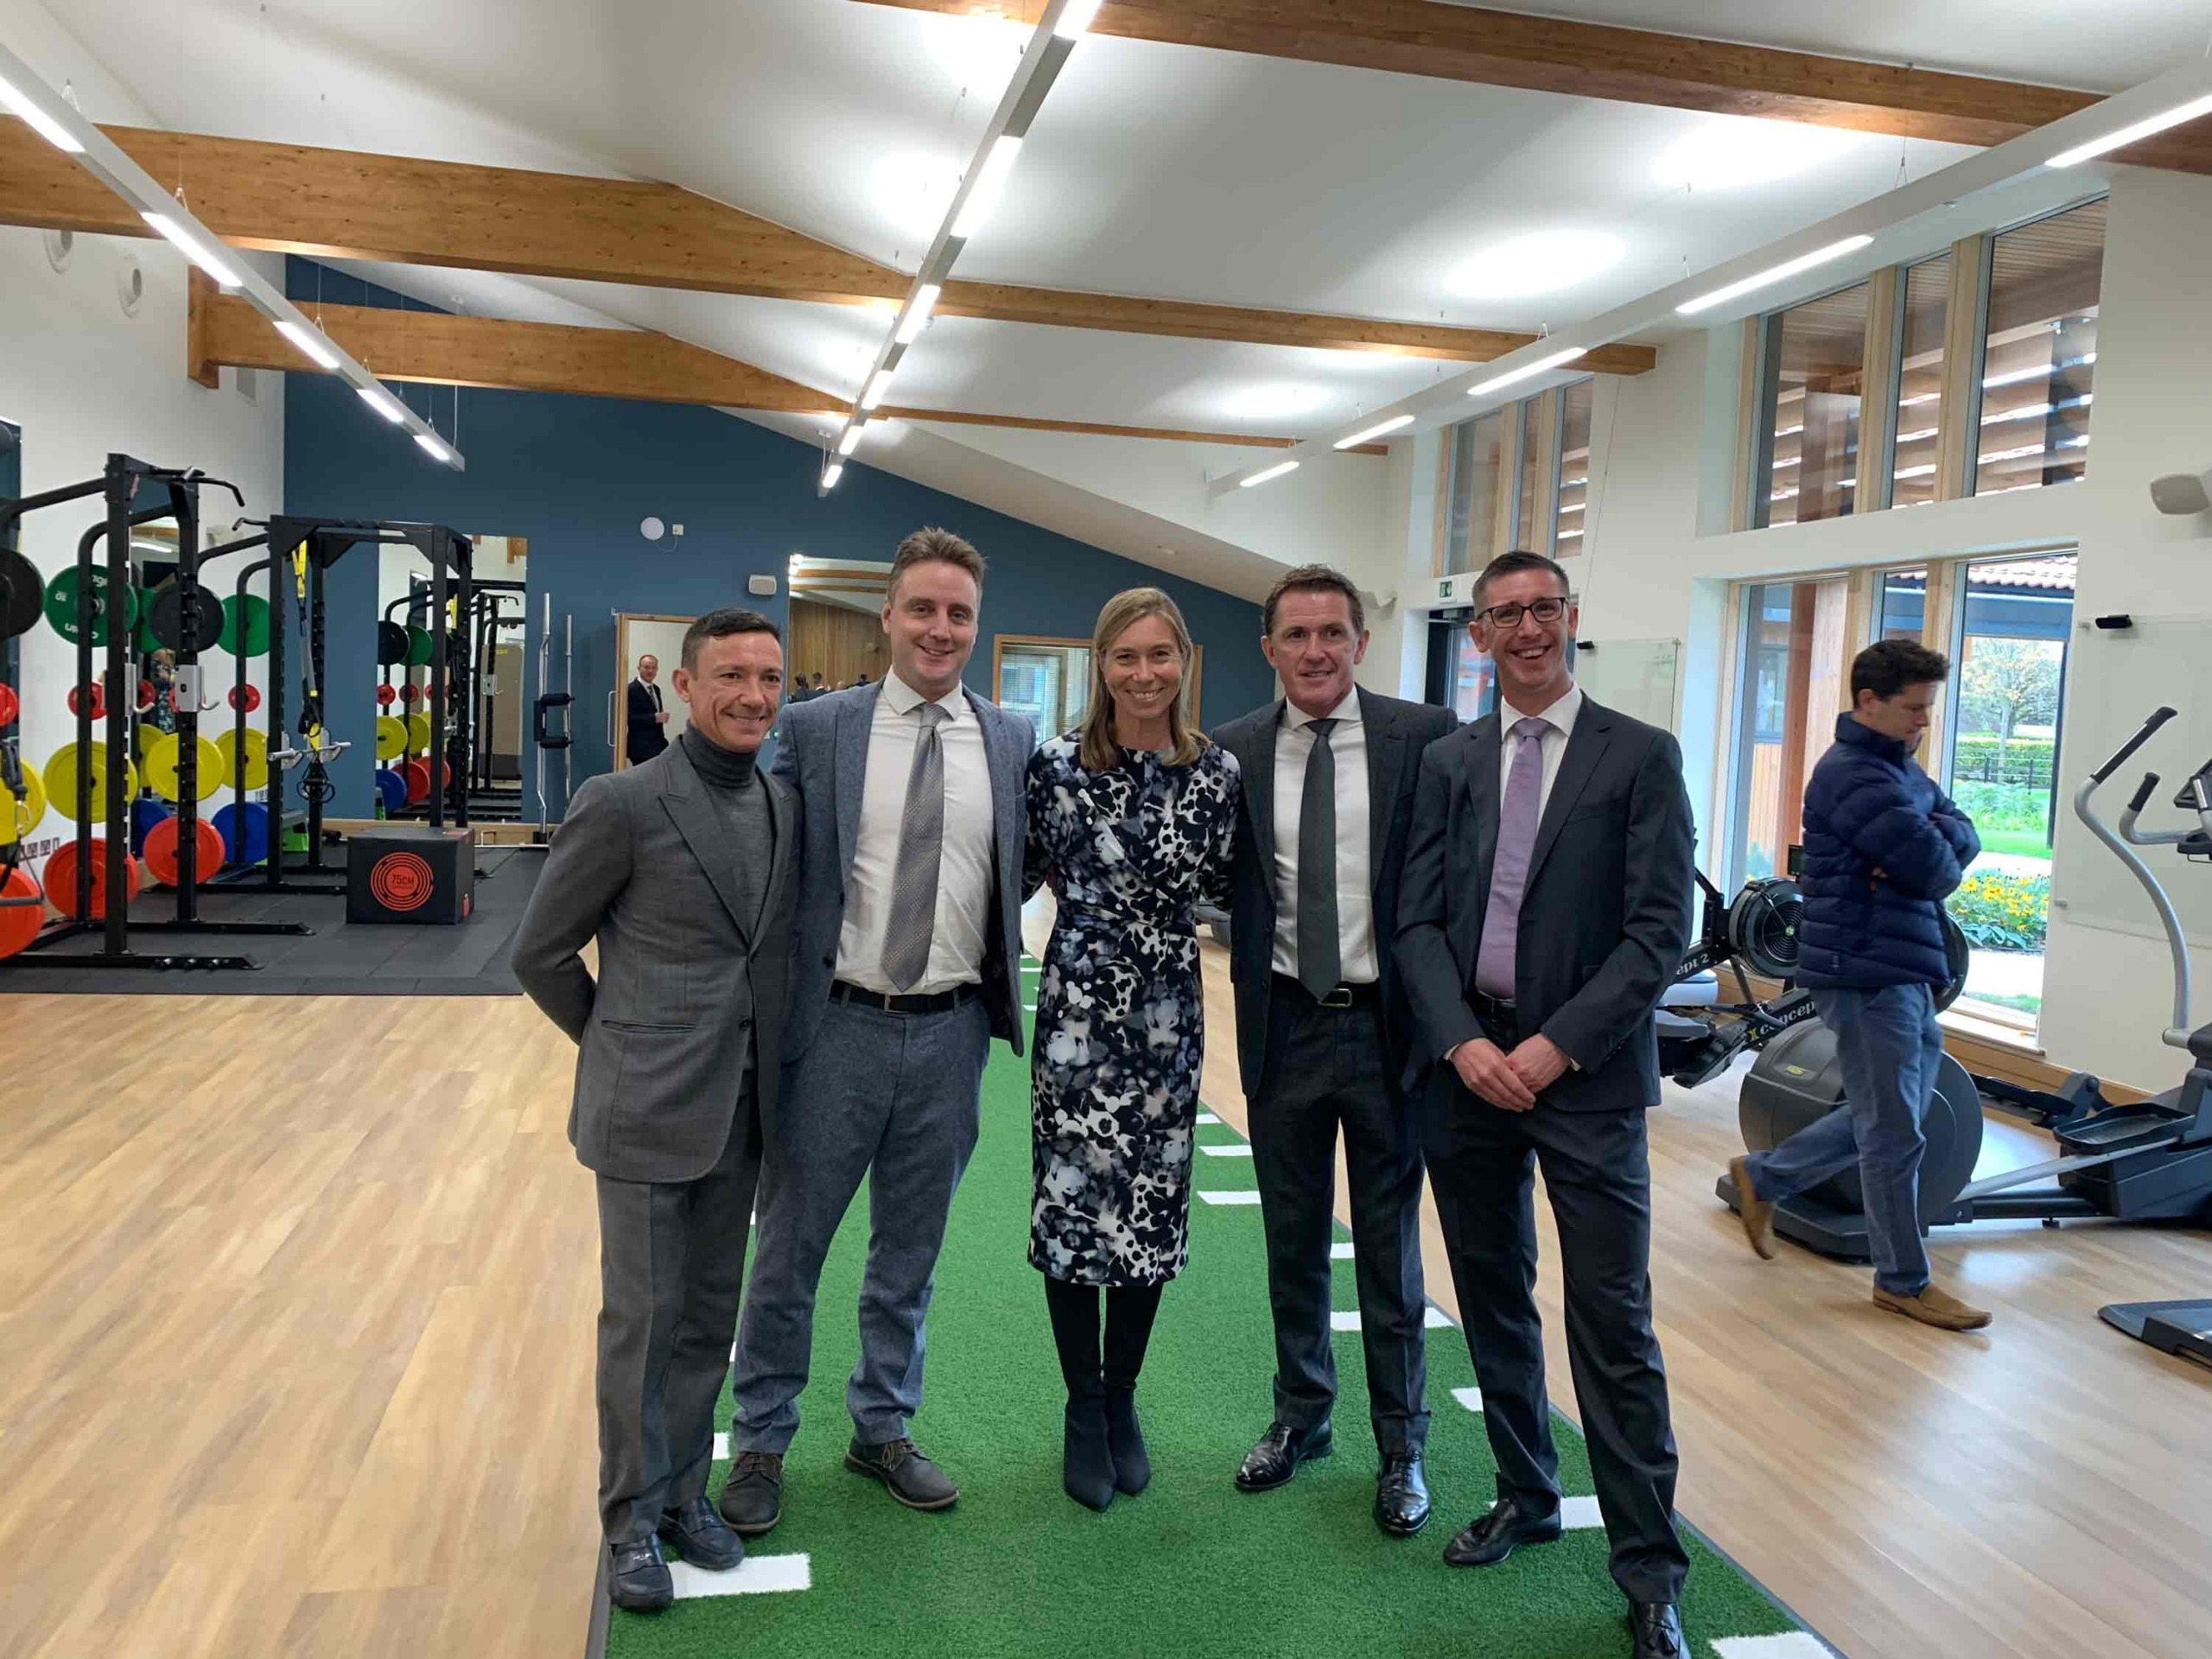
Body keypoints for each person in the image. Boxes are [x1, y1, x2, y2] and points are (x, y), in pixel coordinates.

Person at [1396, 550, 1696, 1659]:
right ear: (1475, 636)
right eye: (1501, 615)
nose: (1525, 629)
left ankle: (1650, 1569)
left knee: (1612, 1324)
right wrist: (1466, 1043)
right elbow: (1416, 921)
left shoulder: (1641, 756)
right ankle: (1526, 1495)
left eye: (1541, 608)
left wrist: (1554, 1048)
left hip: (1587, 1080)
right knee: (1491, 1298)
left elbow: (1658, 930)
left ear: (1571, 617)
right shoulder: (1449, 761)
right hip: (1470, 1075)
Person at [723, 527, 1033, 1534]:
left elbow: (1018, 873)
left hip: (949, 1036)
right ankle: (761, 1439)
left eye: (958, 615)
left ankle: (881, 1428)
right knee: (790, 1250)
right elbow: (756, 855)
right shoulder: (820, 730)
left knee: (910, 1254)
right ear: (887, 618)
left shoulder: (1011, 737)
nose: (939, 629)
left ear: (973, 630)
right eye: (923, 609)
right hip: (837, 1028)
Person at [512, 608, 794, 1613]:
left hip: (741, 1112)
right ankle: (628, 1521)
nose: (753, 695)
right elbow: (539, 954)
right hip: (642, 1112)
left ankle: (683, 1494)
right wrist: (614, 1045)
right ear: (683, 687)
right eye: (729, 676)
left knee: (707, 1319)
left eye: (768, 677)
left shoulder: (780, 804)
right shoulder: (623, 801)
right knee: (642, 1319)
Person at [1211, 564, 1454, 1536]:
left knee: (1389, 1250)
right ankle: (1302, 1417)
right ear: (1268, 649)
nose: (1315, 652)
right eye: (1296, 636)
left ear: (1359, 642)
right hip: (1283, 1023)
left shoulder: (1425, 739)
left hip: (1388, 1029)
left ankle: (1403, 1447)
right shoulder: (1229, 751)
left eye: (1332, 633)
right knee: (1292, 1240)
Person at [1023, 588, 1239, 1510]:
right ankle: (1079, 1405)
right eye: (1125, 657)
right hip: (1075, 1016)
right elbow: (1009, 879)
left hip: (1165, 1017)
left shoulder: (1218, 772)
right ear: (1099, 665)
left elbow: (1239, 891)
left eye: (1160, 656)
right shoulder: (1055, 768)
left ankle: (1121, 1398)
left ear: (1182, 662)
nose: (1143, 674)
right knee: (1073, 1210)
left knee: (1149, 1213)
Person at [1726, 639, 1989, 1331]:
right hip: (1867, 972)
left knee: (1889, 1116)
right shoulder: (1853, 776)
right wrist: (1932, 843)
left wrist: (1933, 840)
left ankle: (1767, 1177)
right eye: (1913, 709)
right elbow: (1937, 868)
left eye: (1928, 709)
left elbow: (1963, 835)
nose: (1924, 722)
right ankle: (1903, 1281)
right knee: (1897, 1133)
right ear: (1869, 701)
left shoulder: (1897, 768)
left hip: (1905, 967)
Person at [626, 653, 669, 764]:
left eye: (653, 668)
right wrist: (653, 718)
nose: (650, 671)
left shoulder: (656, 689)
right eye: (646, 667)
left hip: (658, 746)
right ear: (639, 668)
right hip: (640, 748)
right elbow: (628, 719)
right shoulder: (630, 690)